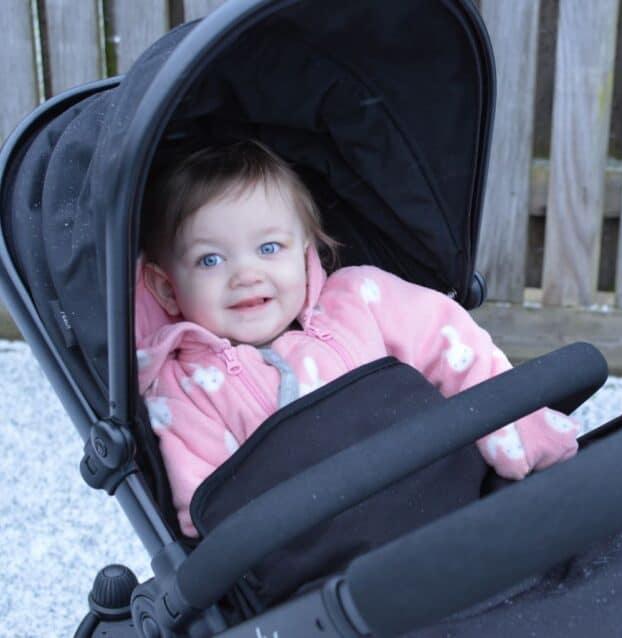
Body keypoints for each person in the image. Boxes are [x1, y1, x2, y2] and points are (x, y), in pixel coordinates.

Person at [136, 139, 580, 537]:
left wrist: (512, 422)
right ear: (165, 287)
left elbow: (455, 351)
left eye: (269, 248)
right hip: (327, 562)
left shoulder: (360, 301)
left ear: (306, 249)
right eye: (210, 259)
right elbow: (207, 511)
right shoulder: (185, 385)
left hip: (456, 500)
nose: (246, 275)